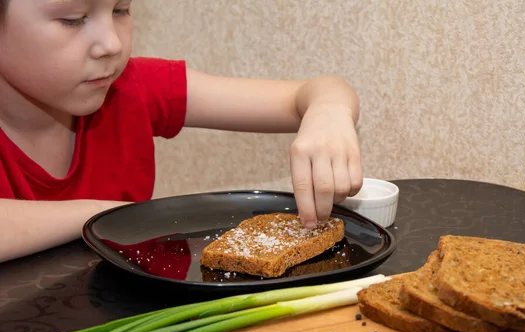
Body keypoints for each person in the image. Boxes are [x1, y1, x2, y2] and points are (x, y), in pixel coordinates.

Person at [0, 0, 363, 263]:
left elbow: (317, 91)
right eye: (73, 18)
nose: (111, 43)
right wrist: (117, 217)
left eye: (121, 10)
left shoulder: (130, 88)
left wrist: (328, 113)